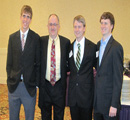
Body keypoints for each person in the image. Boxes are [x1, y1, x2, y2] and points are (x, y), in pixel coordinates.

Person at [6, 5, 40, 120]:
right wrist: (10, 79)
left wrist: (35, 83)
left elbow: (38, 64)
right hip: (14, 87)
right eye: (24, 16)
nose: (25, 19)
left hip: (29, 88)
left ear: (31, 19)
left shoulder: (36, 38)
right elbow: (8, 63)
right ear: (20, 17)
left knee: (29, 117)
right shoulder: (12, 38)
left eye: (28, 17)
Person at [38, 14, 70, 120]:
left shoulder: (66, 43)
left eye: (55, 24)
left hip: (59, 87)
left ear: (59, 26)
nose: (52, 27)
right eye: (50, 24)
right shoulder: (41, 41)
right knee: (45, 116)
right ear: (47, 26)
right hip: (45, 87)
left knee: (59, 117)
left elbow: (69, 64)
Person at [93, 12, 124, 120]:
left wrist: (114, 105)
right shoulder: (97, 45)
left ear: (112, 26)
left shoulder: (116, 47)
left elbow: (118, 79)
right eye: (101, 23)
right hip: (97, 103)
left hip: (109, 105)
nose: (103, 26)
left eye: (106, 23)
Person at [68, 15, 97, 120]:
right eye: (75, 27)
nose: (77, 29)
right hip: (73, 96)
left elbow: (98, 66)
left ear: (84, 28)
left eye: (79, 27)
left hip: (86, 96)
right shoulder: (69, 47)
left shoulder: (93, 47)